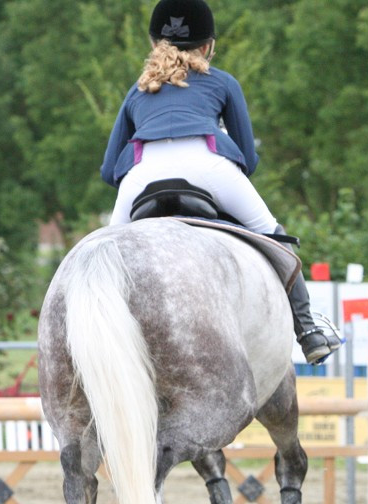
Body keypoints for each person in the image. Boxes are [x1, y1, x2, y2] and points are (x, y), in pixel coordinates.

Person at [100, 0, 338, 365]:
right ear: (208, 46)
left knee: (103, 257)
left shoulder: (138, 90)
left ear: (154, 44)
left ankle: (96, 345)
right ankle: (308, 332)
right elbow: (248, 157)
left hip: (143, 172)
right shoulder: (223, 82)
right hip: (208, 166)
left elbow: (107, 170)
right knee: (275, 237)